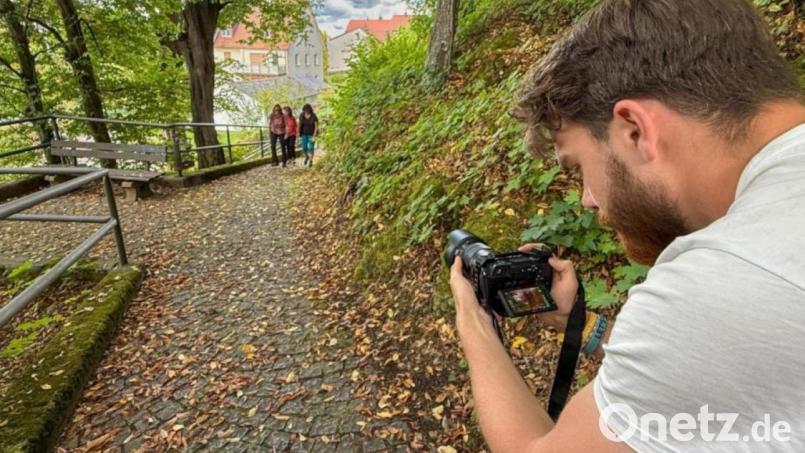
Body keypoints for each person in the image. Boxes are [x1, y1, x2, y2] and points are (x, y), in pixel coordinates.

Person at [448, 0, 805, 452]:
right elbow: (720, 368)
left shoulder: (726, 278)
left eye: (579, 167)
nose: (587, 198)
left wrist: (474, 322)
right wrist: (579, 323)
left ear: (635, 129)